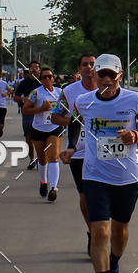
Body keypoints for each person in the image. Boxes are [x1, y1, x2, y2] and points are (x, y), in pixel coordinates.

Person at [64, 54, 138, 273]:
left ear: (120, 76)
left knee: (119, 231)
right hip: (95, 176)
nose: (105, 79)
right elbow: (73, 122)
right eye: (100, 74)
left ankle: (113, 265)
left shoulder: (134, 100)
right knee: (100, 231)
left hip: (126, 178)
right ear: (94, 76)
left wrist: (136, 134)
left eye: (110, 75)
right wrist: (72, 147)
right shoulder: (84, 101)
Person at [54, 53, 97, 255]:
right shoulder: (68, 92)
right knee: (85, 194)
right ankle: (93, 232)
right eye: (85, 64)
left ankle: (101, 228)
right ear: (79, 69)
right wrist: (74, 122)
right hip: (78, 152)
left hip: (105, 152)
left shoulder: (109, 89)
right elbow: (55, 117)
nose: (89, 67)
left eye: (92, 64)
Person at [22, 67, 62, 201]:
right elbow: (25, 110)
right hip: (38, 129)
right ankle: (43, 182)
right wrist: (41, 109)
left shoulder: (60, 92)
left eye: (49, 76)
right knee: (42, 159)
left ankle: (54, 188)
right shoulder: (35, 93)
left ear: (53, 78)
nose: (47, 79)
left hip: (54, 128)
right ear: (41, 80)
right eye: (44, 77)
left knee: (53, 157)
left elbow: (66, 108)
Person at [13, 61, 41, 169]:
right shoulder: (24, 83)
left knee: (40, 138)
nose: (35, 69)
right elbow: (16, 97)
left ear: (39, 70)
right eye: (32, 67)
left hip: (40, 113)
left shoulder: (43, 82)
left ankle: (40, 159)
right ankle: (32, 159)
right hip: (28, 113)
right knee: (29, 138)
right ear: (29, 70)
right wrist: (23, 99)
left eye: (37, 67)